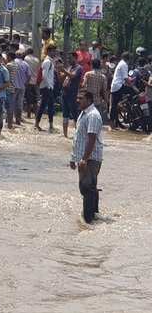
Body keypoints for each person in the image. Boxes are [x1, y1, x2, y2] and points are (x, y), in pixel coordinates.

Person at [70, 91, 104, 224]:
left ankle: (88, 220)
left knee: (86, 187)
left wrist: (84, 159)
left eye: (81, 98)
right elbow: (78, 138)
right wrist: (73, 158)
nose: (78, 100)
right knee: (89, 186)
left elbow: (91, 139)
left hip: (91, 158)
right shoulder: (84, 114)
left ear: (89, 100)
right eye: (77, 97)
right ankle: (94, 215)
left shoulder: (93, 115)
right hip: (84, 158)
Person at [60, 52, 84, 137]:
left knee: (74, 115)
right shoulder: (69, 67)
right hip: (64, 93)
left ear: (75, 58)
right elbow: (62, 78)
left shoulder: (79, 68)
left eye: (70, 58)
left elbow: (73, 76)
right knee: (65, 114)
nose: (69, 60)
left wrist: (64, 71)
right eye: (68, 58)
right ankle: (65, 135)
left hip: (72, 94)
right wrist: (59, 72)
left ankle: (79, 135)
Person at [35, 44, 57, 132]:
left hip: (48, 87)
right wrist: (49, 86)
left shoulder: (50, 61)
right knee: (44, 106)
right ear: (48, 52)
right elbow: (44, 75)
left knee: (50, 106)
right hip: (46, 87)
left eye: (54, 51)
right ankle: (37, 123)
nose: (54, 52)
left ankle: (50, 125)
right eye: (52, 51)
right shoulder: (47, 61)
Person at [83, 58, 109, 123]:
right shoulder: (103, 77)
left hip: (88, 101)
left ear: (92, 65)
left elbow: (83, 85)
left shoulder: (88, 74)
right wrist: (107, 101)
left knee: (86, 119)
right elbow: (104, 91)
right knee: (95, 120)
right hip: (97, 101)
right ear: (99, 66)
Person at [109, 52, 130, 129]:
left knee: (114, 105)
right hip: (118, 86)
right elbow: (125, 78)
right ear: (128, 59)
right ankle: (123, 106)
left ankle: (115, 123)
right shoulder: (124, 64)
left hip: (116, 86)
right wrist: (134, 87)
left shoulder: (121, 63)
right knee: (133, 92)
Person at [5, 51, 19, 130]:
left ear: (9, 57)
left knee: (8, 108)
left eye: (7, 57)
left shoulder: (9, 65)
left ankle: (9, 125)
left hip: (7, 88)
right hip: (13, 87)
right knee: (10, 107)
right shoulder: (16, 64)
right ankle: (9, 125)